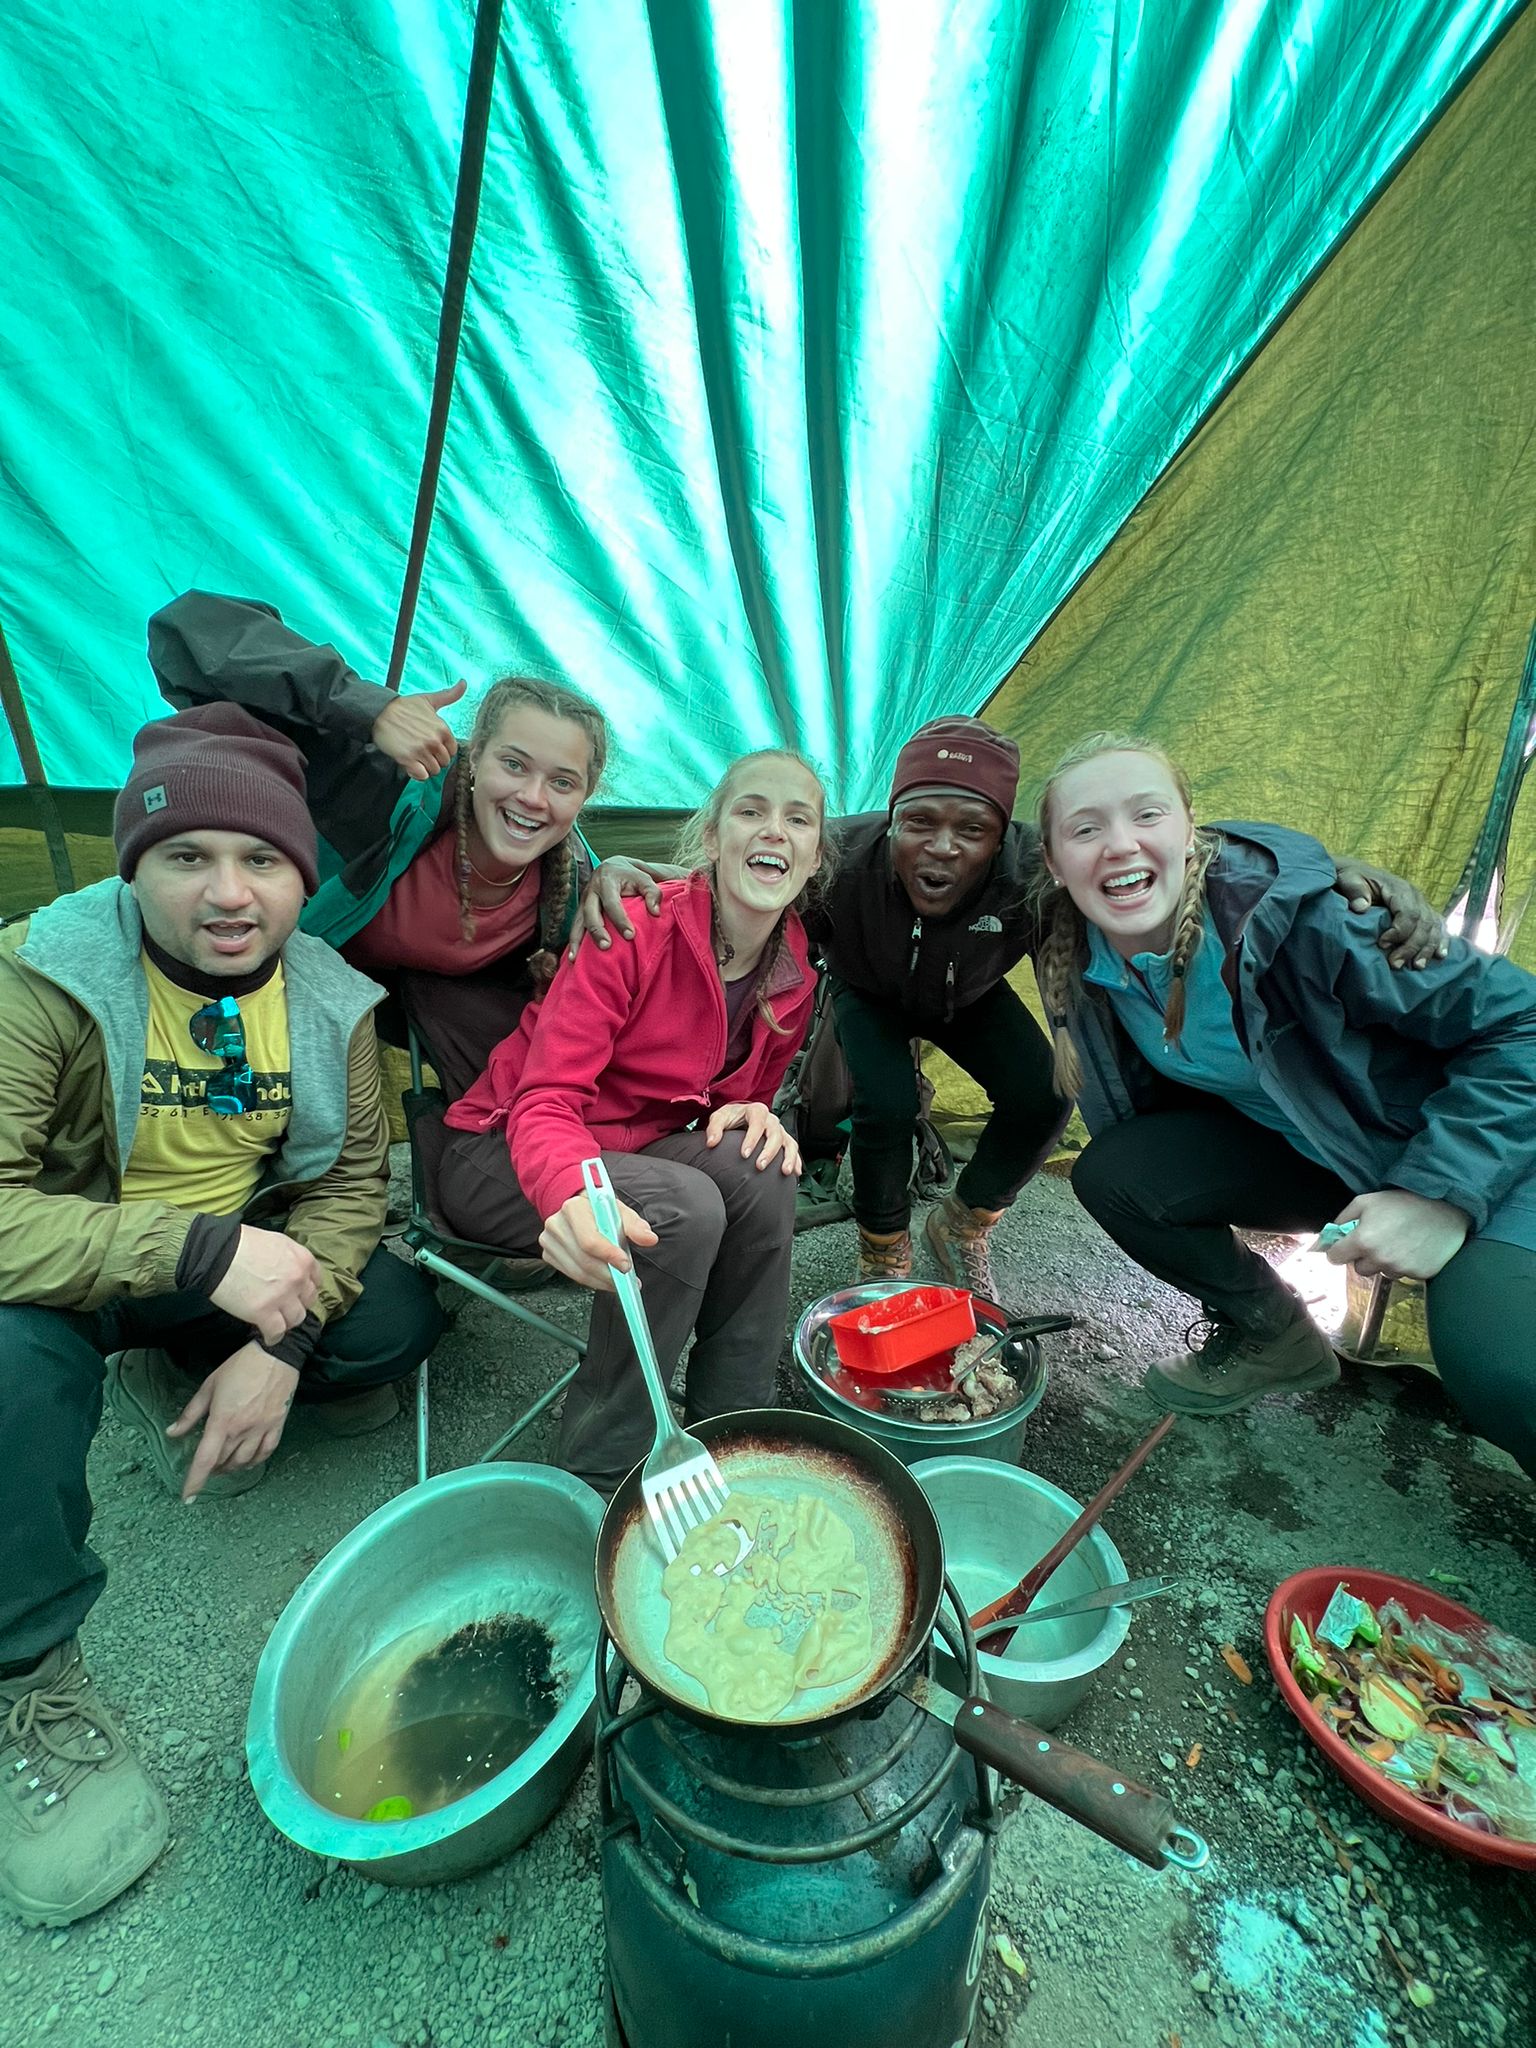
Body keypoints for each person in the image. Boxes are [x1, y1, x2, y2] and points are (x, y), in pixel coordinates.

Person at [0, 704, 446, 1927]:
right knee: (6, 1367)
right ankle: (29, 1676)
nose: (231, 892)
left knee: (393, 1320)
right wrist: (197, 1250)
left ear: (302, 873)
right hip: (83, 1265)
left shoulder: (331, 999)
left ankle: (188, 1374)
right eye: (187, 855)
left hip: (227, 1260)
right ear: (131, 865)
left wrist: (282, 1345)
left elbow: (350, 1188)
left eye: (262, 858)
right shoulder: (42, 973)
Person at [577, 716, 1445, 1301]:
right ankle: (883, 1246)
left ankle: (965, 1222)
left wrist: (1332, 874)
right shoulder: (840, 852)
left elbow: (1187, 862)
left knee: (1046, 1090)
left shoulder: (1038, 869)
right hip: (870, 992)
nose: (941, 847)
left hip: (970, 996)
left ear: (1001, 836)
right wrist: (628, 871)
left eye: (971, 830)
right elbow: (738, 877)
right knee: (883, 1102)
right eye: (920, 823)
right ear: (892, 818)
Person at [1033, 730, 1536, 1479]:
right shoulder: (1076, 942)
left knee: (1504, 1370)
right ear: (1051, 861)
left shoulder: (1312, 924)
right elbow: (941, 834)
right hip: (1332, 1154)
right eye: (1085, 829)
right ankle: (1277, 1339)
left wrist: (1436, 1196)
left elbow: (1523, 1025)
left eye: (1147, 814)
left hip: (1490, 1151)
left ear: (1192, 829)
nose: (1119, 844)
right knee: (1119, 1175)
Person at [436, 750, 827, 1494]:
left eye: (797, 819)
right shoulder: (635, 927)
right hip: (501, 1149)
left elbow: (722, 1109)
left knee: (762, 1169)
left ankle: (735, 1433)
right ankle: (601, 1469)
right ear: (712, 838)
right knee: (684, 1206)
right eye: (750, 810)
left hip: (638, 1152)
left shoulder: (792, 974)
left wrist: (756, 1112)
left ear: (813, 857)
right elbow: (544, 1100)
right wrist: (570, 1190)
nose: (773, 829)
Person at [147, 591, 609, 1101]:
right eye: (514, 764)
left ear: (586, 796)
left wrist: (616, 874)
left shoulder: (573, 886)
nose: (533, 798)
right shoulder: (385, 785)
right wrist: (369, 709)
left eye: (562, 782)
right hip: (264, 991)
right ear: (475, 755)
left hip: (416, 1028)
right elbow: (190, 630)